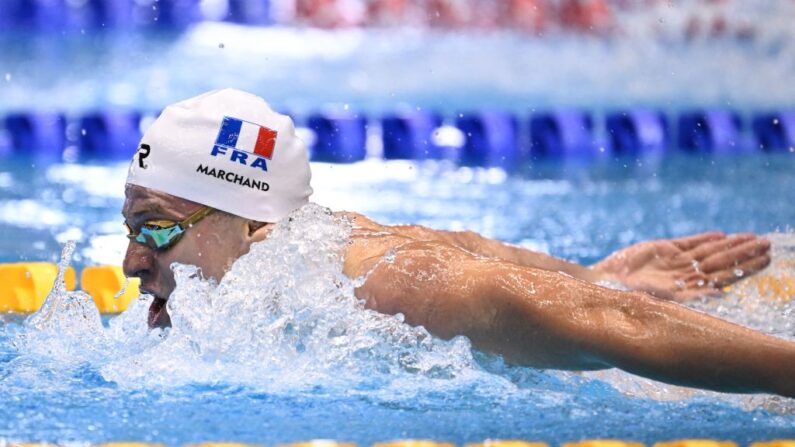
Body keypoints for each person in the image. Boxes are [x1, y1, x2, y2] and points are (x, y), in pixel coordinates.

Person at [122, 89, 792, 397]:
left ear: (255, 228)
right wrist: (596, 275)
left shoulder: (381, 288)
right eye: (131, 230)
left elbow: (613, 324)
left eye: (156, 230)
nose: (130, 262)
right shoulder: (320, 245)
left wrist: (605, 299)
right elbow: (458, 241)